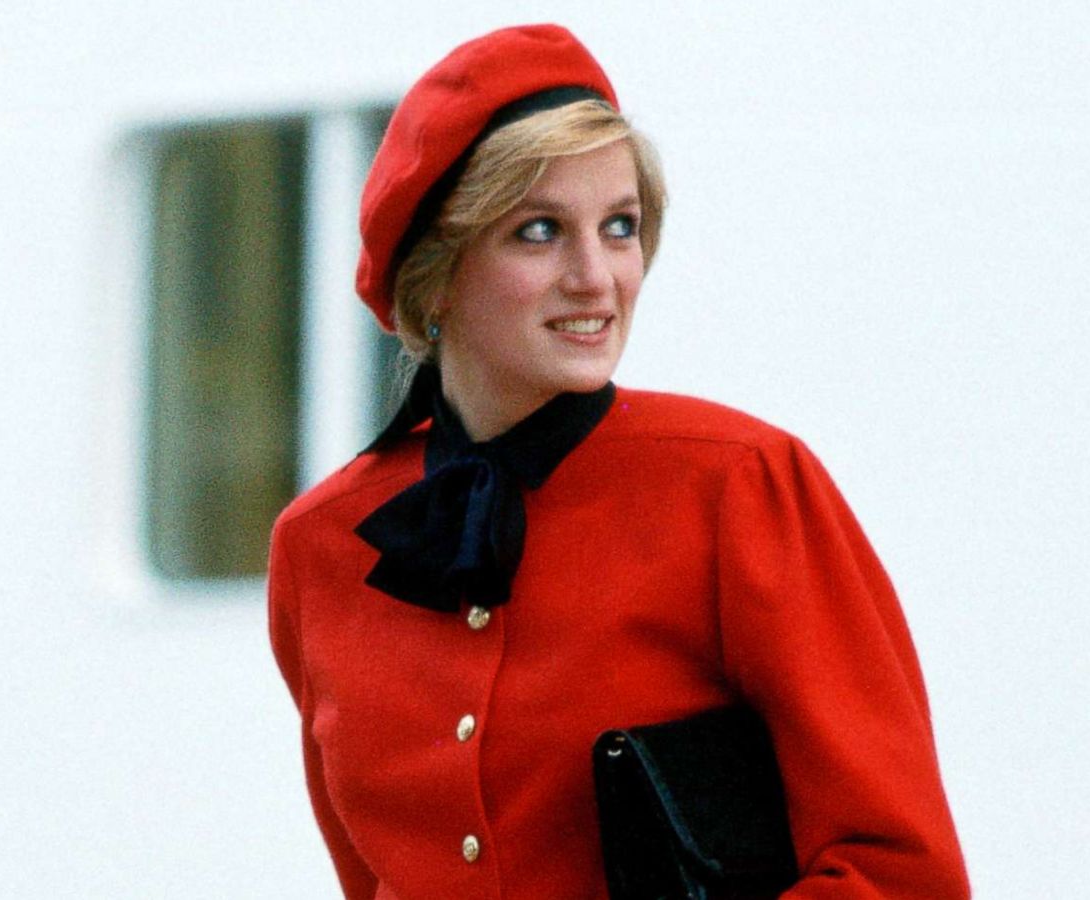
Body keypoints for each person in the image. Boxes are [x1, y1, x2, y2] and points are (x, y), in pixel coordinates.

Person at [268, 23, 970, 899]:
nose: (596, 277)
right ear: (436, 273)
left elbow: (900, 874)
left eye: (620, 228)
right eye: (538, 231)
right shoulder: (321, 545)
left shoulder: (742, 483)